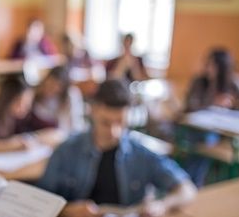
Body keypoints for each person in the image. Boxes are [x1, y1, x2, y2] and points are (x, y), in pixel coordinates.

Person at [38, 80, 196, 217]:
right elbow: (40, 201)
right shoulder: (66, 151)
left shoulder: (141, 153)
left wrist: (162, 205)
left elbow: (187, 188)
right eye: (106, 123)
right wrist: (68, 210)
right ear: (93, 111)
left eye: (121, 123)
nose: (114, 132)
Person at [181, 48, 239, 187]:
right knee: (203, 142)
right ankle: (192, 182)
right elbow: (189, 106)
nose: (208, 68)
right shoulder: (199, 82)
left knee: (206, 143)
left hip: (221, 136)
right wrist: (212, 102)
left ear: (222, 67)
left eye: (213, 65)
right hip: (195, 130)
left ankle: (191, 182)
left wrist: (231, 105)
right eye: (208, 64)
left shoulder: (231, 85)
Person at [28, 66, 86, 134]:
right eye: (49, 84)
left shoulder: (71, 95)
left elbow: (75, 124)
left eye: (56, 86)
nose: (51, 88)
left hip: (67, 135)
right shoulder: (34, 93)